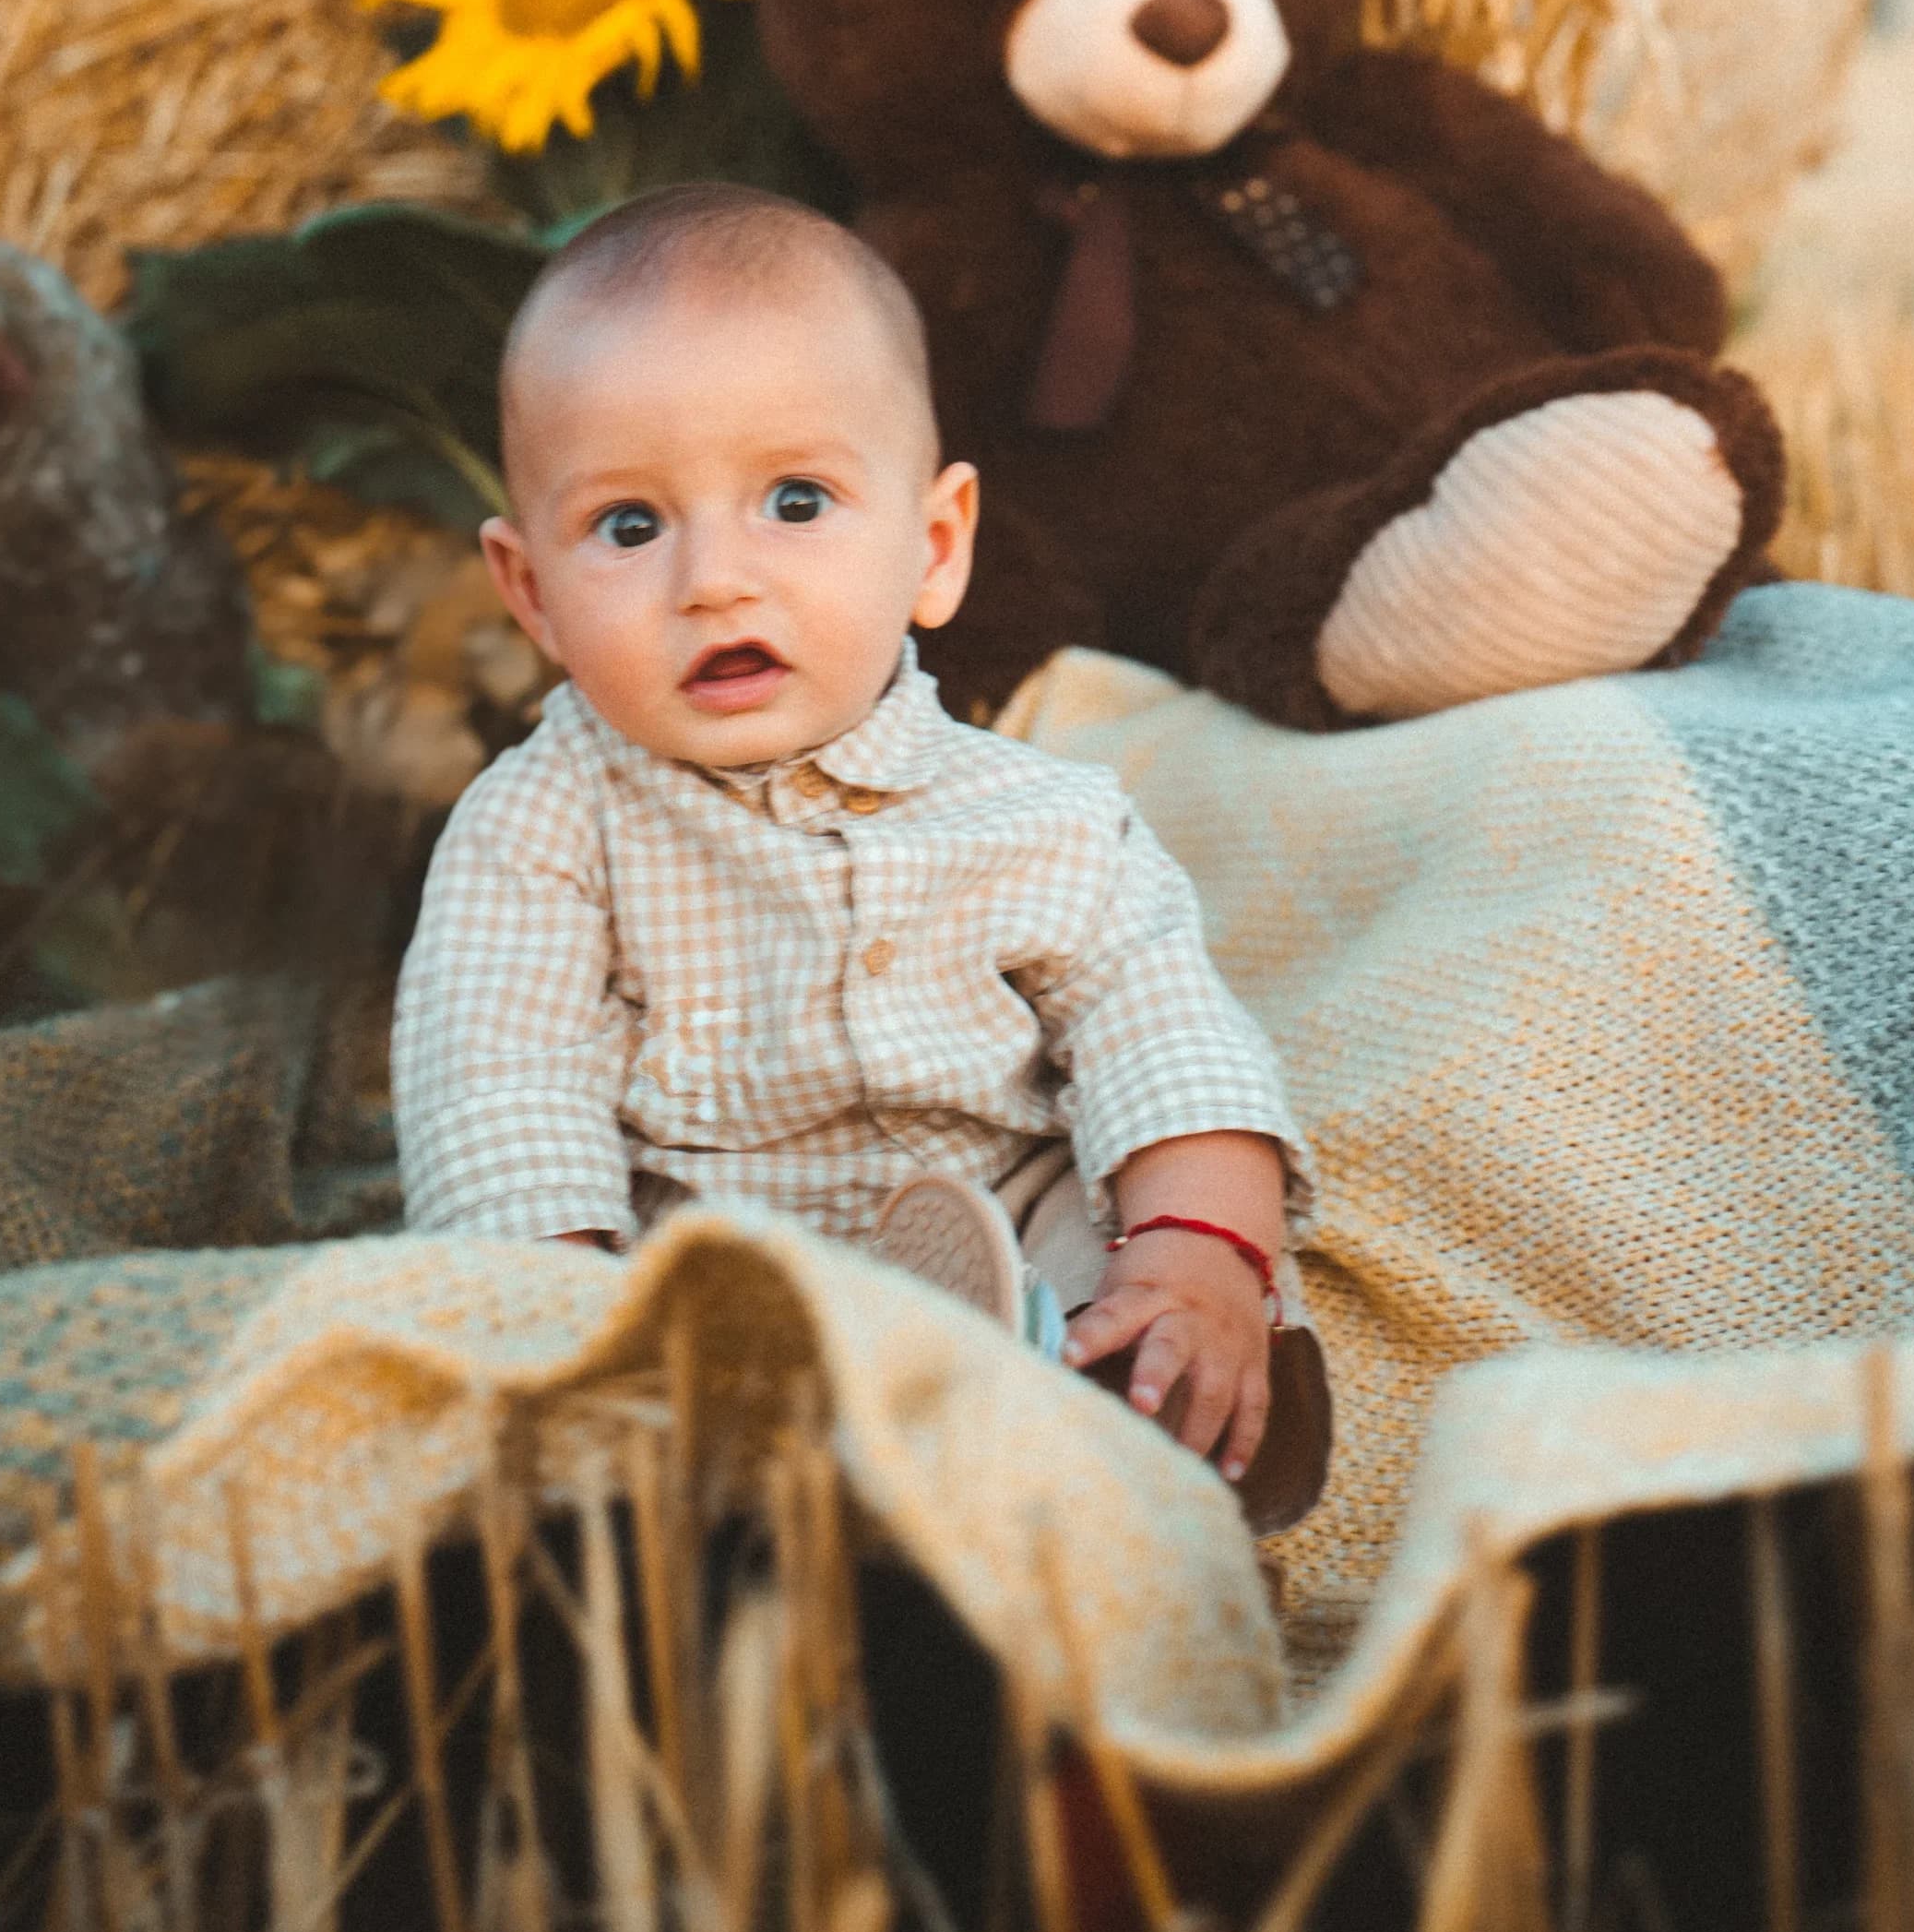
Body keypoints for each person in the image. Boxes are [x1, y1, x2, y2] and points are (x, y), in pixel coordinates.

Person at [392, 182, 1327, 1523]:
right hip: (714, 1270)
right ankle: (821, 1498)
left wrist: (1196, 1252)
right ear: (532, 592)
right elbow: (500, 1087)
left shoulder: (1043, 816)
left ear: (934, 547)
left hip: (1005, 1218)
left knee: (1133, 1249)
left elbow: (1163, 1033)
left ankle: (1143, 1430)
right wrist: (571, 1325)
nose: (715, 577)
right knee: (613, 1380)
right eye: (631, 526)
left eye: (794, 498)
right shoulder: (541, 829)